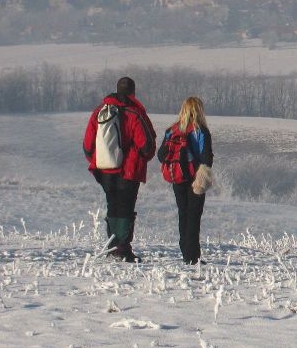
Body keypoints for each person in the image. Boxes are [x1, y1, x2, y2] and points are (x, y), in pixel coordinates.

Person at [82, 76, 156, 262]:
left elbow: (88, 144)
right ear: (132, 92)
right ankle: (122, 249)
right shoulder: (134, 113)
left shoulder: (100, 112)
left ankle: (112, 246)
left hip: (104, 170)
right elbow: (147, 145)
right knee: (126, 208)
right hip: (128, 171)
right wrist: (135, 159)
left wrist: (100, 162)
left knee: (112, 206)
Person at [157, 96, 214, 265]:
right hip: (195, 178)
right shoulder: (201, 131)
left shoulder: (171, 130)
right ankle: (192, 256)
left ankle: (185, 252)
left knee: (183, 213)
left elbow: (161, 156)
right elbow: (206, 158)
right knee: (194, 215)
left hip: (177, 177)